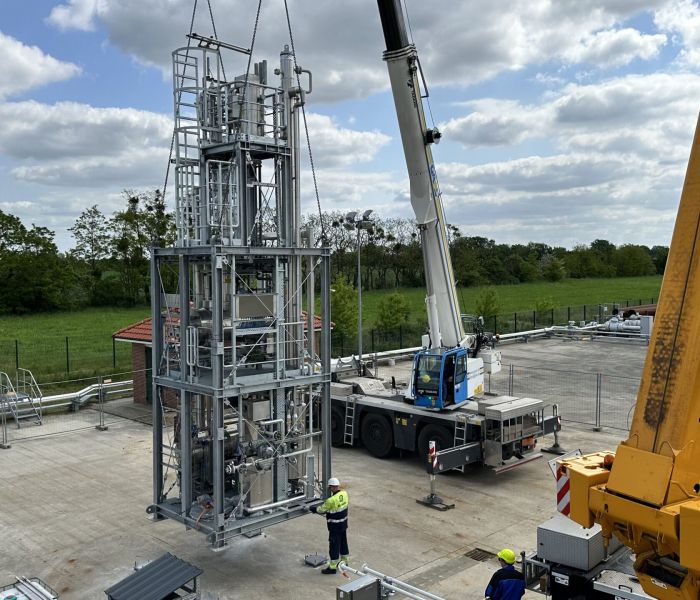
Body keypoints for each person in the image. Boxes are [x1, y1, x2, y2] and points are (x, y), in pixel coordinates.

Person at [310, 477, 349, 574]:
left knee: (334, 546)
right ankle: (345, 561)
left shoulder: (331, 501)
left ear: (331, 487)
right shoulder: (344, 494)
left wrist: (313, 509)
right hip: (343, 524)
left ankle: (332, 567)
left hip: (335, 527)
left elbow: (321, 509)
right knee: (343, 542)